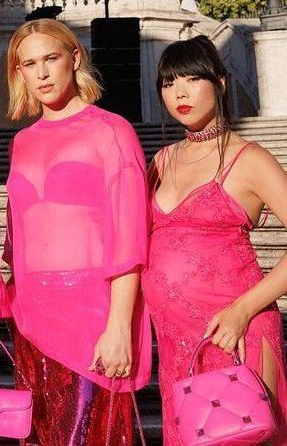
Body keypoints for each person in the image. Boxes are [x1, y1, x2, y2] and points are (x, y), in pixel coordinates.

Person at [3, 19, 152, 445]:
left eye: (50, 58)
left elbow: (130, 237)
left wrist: (119, 325)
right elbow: (17, 242)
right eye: (29, 64)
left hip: (91, 316)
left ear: (74, 58)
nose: (42, 73)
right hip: (31, 319)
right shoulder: (21, 142)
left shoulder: (112, 130)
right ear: (19, 73)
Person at [144, 35, 287, 444]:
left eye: (192, 79)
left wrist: (243, 309)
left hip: (235, 329)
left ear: (220, 83)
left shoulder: (251, 158)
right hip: (177, 341)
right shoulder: (161, 160)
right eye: (169, 83)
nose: (180, 92)